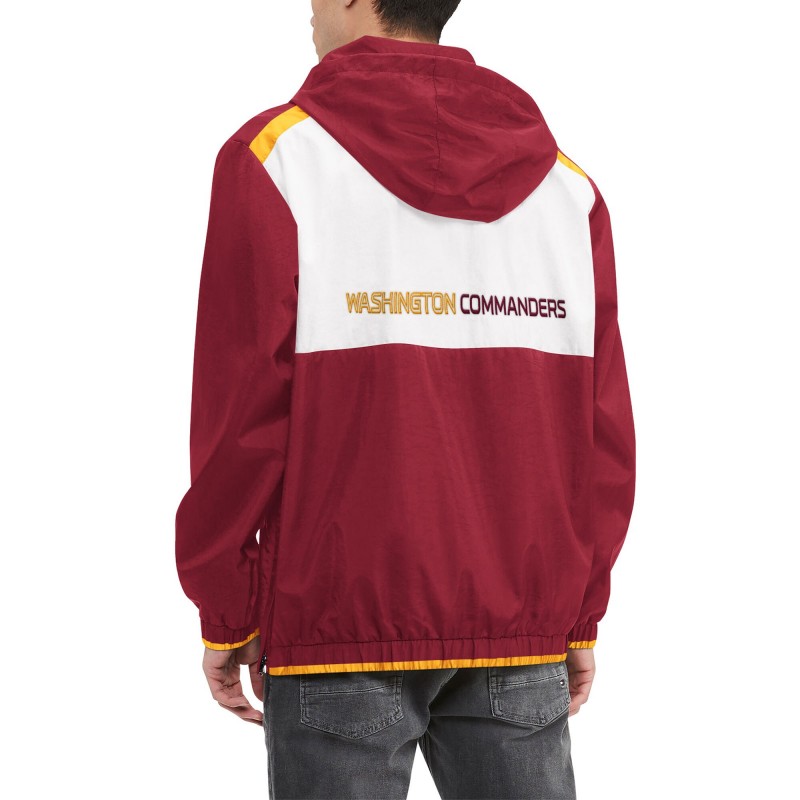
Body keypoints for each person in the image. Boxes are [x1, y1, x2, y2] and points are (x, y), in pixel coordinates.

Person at [175, 1, 636, 797]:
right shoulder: (567, 190)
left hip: (335, 620)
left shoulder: (277, 161)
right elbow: (602, 432)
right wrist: (578, 607)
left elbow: (239, 417)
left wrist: (227, 606)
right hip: (519, 624)